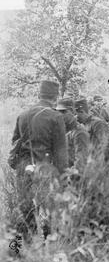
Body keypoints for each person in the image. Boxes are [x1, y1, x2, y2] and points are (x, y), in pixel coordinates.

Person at [9, 80, 68, 239]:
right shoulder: (56, 116)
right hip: (45, 167)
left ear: (38, 95)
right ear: (56, 97)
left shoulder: (22, 115)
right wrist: (63, 177)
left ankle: (30, 242)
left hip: (24, 167)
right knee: (50, 207)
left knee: (26, 206)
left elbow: (15, 141)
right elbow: (61, 151)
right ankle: (48, 242)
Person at [74, 97, 109, 163]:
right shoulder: (85, 124)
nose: (75, 117)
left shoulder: (97, 123)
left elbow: (103, 144)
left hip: (105, 160)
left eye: (76, 114)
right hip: (95, 159)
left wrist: (92, 160)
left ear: (82, 112)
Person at [56, 97, 89, 172]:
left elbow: (81, 163)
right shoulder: (62, 130)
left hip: (73, 179)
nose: (60, 115)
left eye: (63, 112)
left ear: (72, 111)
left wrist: (67, 175)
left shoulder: (79, 132)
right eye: (58, 112)